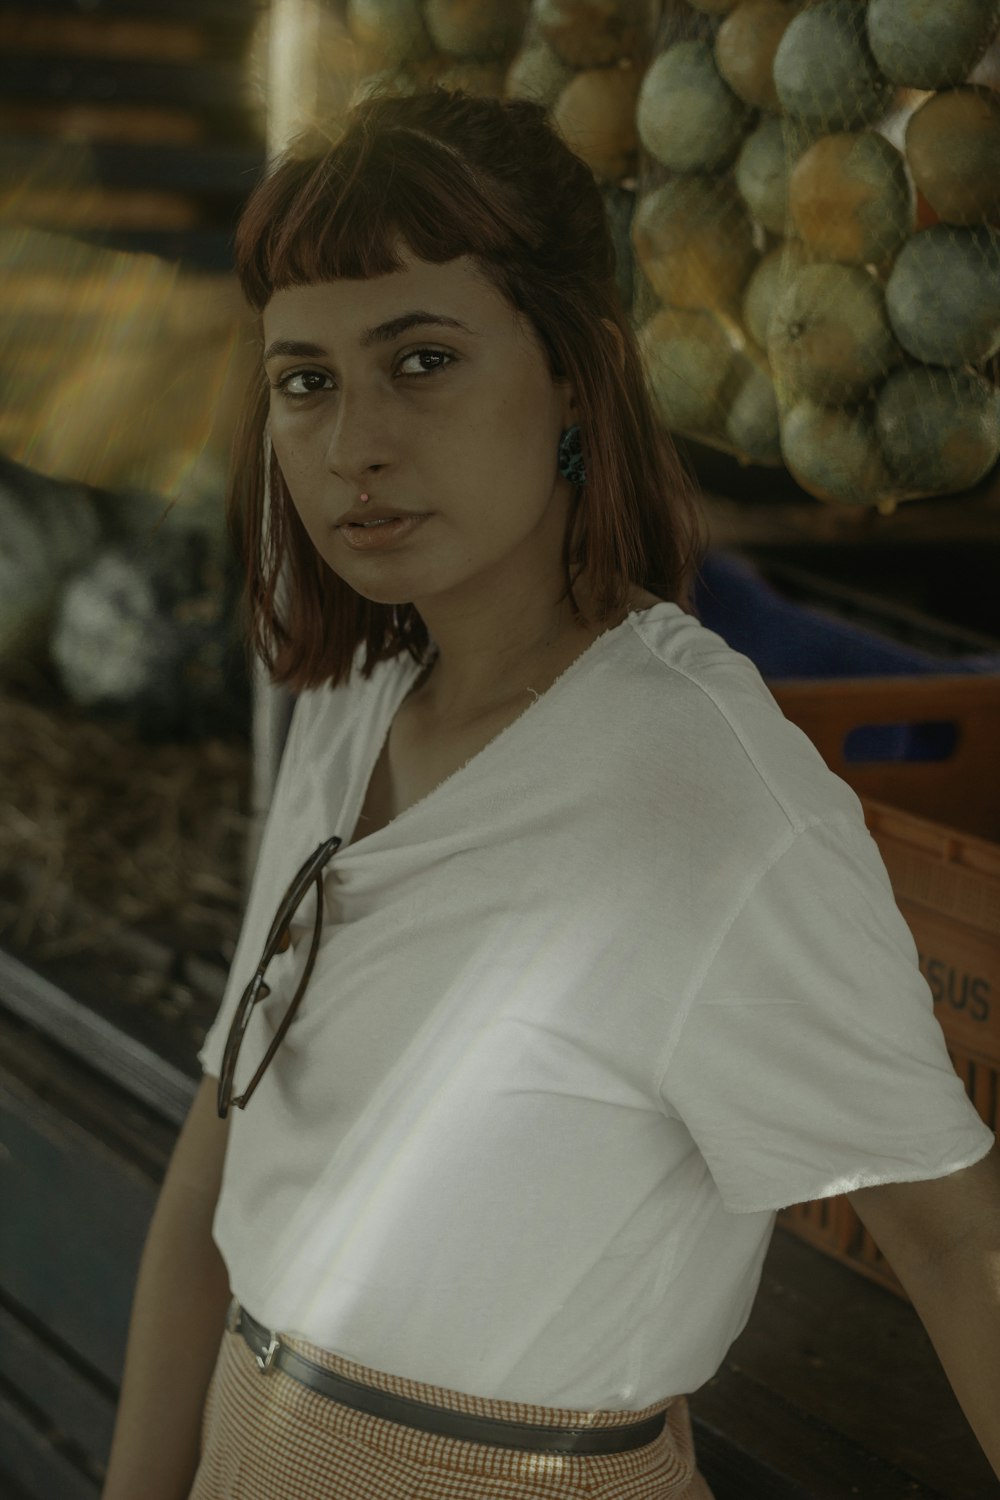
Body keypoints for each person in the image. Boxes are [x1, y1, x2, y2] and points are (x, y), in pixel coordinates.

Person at [101, 88, 1000, 1500]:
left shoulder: (702, 786)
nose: (353, 446)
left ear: (577, 374)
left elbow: (954, 1238)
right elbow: (216, 1168)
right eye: (305, 380)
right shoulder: (349, 717)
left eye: (423, 359)